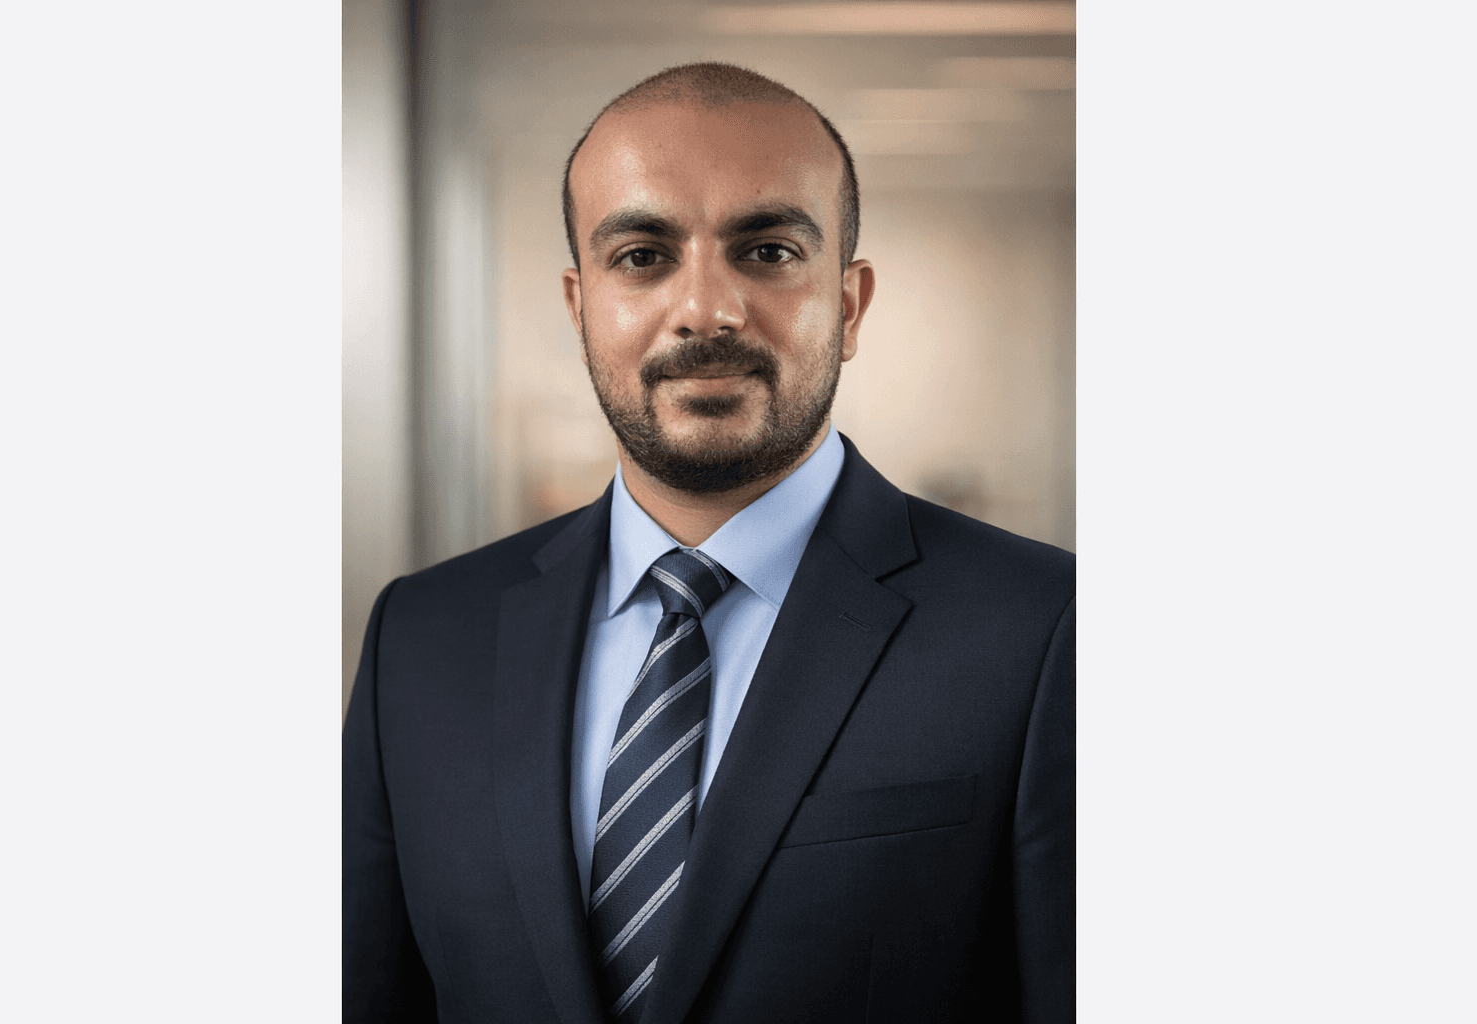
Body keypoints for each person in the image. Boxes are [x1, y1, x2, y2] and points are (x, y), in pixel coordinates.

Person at [343, 62, 1074, 1024]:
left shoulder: (1044, 632)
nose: (706, 310)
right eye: (643, 256)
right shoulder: (421, 639)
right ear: (579, 307)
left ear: (849, 305)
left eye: (767, 251)